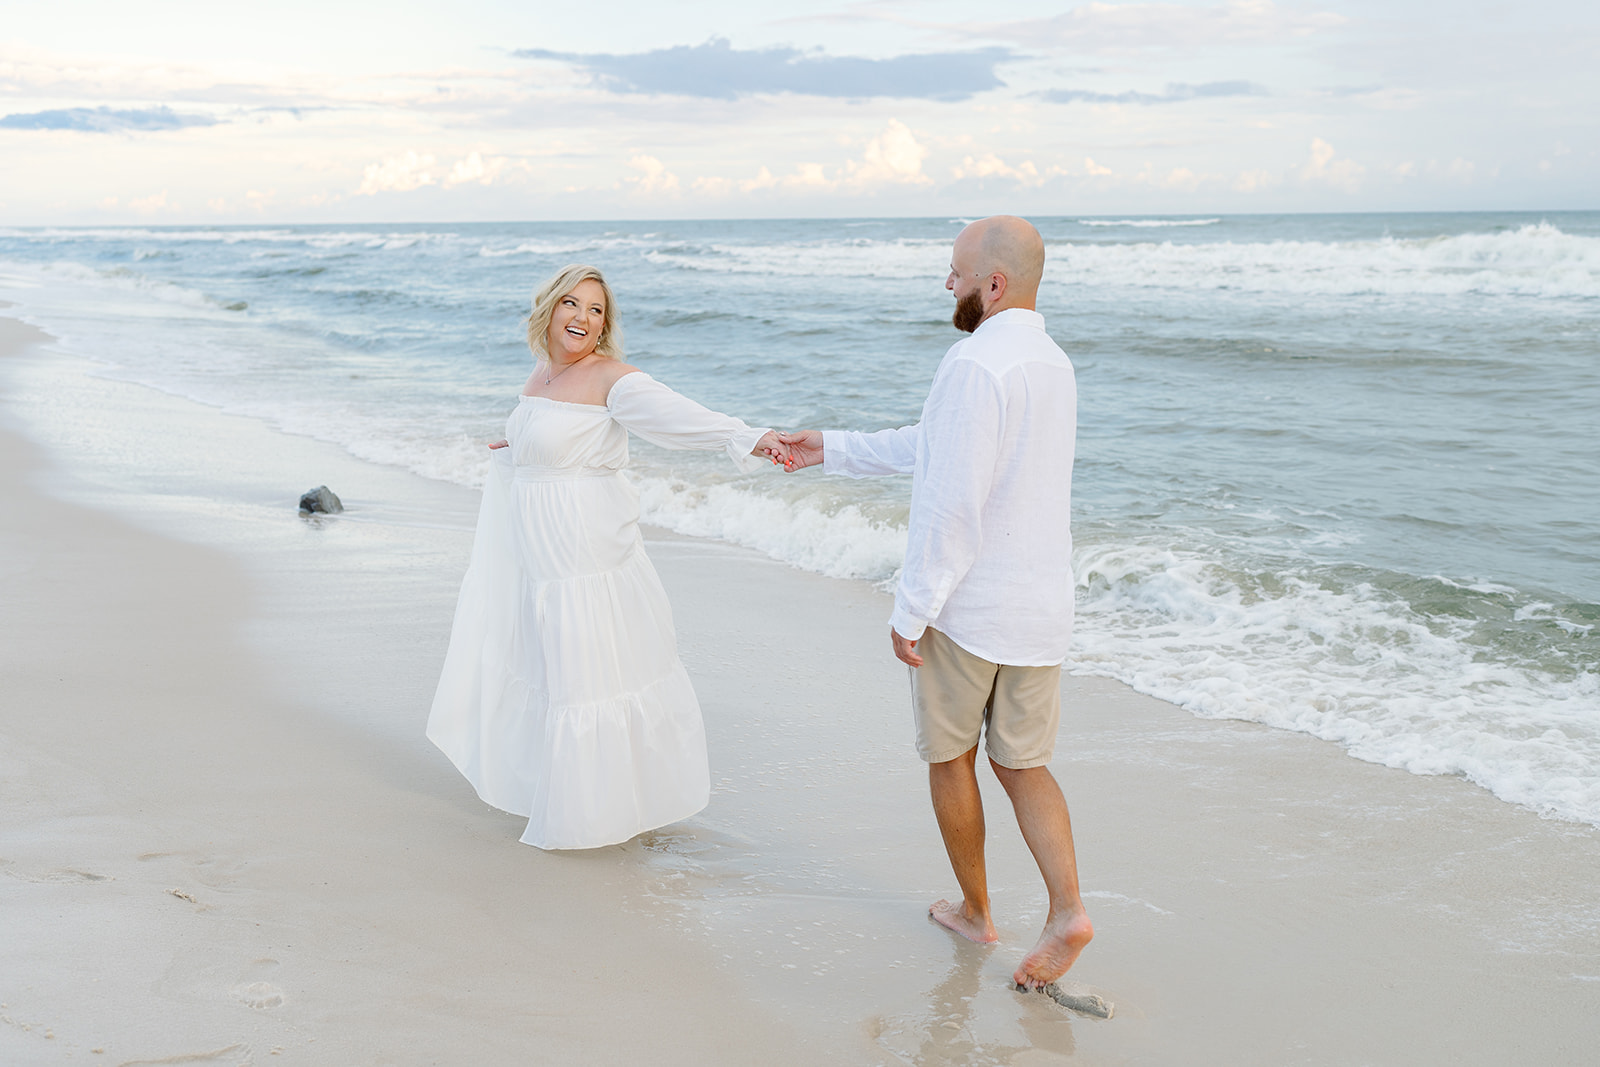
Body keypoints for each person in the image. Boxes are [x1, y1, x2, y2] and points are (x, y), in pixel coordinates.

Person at [776, 216, 1092, 991]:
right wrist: (835, 446)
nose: (946, 284)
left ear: (994, 282)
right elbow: (941, 445)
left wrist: (912, 605)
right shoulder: (1052, 362)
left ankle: (975, 910)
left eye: (955, 272)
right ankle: (1068, 909)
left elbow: (956, 500)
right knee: (1025, 765)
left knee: (951, 757)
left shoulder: (973, 361)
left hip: (968, 608)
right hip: (1039, 609)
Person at [427, 264, 790, 851]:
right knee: (556, 671)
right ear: (548, 310)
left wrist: (746, 435)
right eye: (573, 304)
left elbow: (679, 417)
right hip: (543, 561)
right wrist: (517, 446)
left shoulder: (612, 379)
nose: (584, 318)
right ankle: (572, 795)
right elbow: (551, 442)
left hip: (583, 559)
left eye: (597, 311)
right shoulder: (542, 374)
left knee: (585, 678)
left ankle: (590, 816)